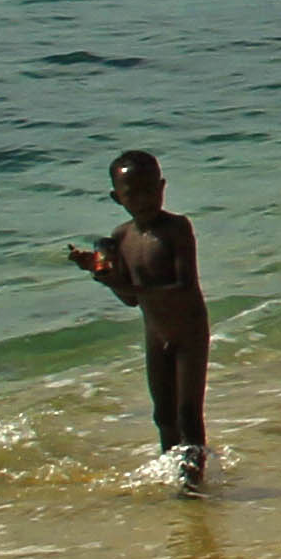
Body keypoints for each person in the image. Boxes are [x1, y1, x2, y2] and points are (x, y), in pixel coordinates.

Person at [67, 148, 212, 488]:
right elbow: (131, 299)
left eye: (151, 190)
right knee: (163, 415)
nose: (145, 200)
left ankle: (195, 485)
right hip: (155, 332)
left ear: (163, 187)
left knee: (188, 414)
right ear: (117, 198)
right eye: (134, 194)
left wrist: (119, 280)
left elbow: (181, 285)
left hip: (189, 332)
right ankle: (173, 476)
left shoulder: (176, 229)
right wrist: (101, 274)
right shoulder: (121, 238)